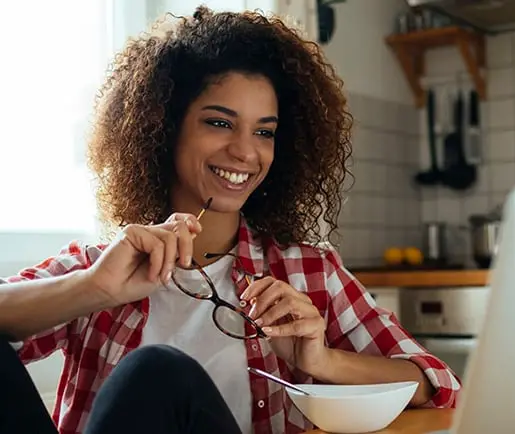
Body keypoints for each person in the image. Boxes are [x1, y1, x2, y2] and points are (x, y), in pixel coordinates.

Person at [0, 6, 461, 434]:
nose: (245, 151)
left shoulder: (309, 271)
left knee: (157, 372)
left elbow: (436, 383)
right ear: (162, 127)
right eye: (219, 123)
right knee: (155, 371)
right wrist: (94, 288)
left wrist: (322, 360)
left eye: (264, 132)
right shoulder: (100, 265)